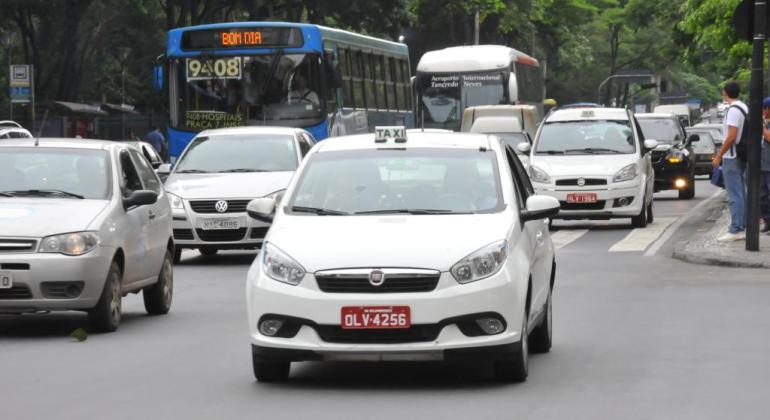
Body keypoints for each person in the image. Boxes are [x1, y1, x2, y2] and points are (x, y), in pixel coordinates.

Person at [712, 81, 748, 242]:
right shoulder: (743, 107)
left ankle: (736, 228)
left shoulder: (733, 110)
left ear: (725, 93)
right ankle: (743, 225)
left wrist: (719, 156)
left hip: (732, 156)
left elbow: (731, 136)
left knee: (734, 194)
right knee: (741, 192)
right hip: (740, 155)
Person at [761, 97, 770, 233]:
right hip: (762, 164)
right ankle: (767, 221)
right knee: (762, 195)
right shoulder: (766, 123)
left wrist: (762, 126)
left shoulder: (764, 125)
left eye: (763, 109)